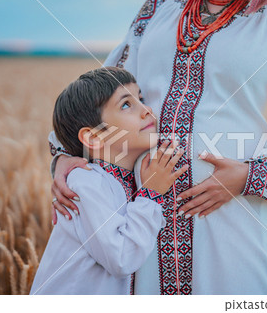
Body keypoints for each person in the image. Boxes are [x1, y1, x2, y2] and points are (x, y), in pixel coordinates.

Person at [49, 0, 267, 294]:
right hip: (145, 223)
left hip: (237, 225)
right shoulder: (159, 6)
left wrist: (246, 177)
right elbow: (102, 93)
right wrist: (67, 152)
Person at [30, 67, 188, 294]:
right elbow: (121, 258)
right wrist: (150, 193)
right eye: (126, 105)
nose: (147, 110)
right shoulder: (84, 183)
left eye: (141, 99)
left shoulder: (123, 181)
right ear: (93, 137)